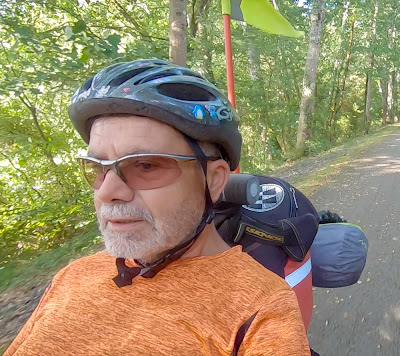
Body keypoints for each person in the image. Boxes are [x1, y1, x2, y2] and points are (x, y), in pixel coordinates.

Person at [4, 59, 311, 356]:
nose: (107, 191)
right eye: (97, 167)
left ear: (215, 180)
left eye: (146, 165)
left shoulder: (259, 306)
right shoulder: (74, 274)